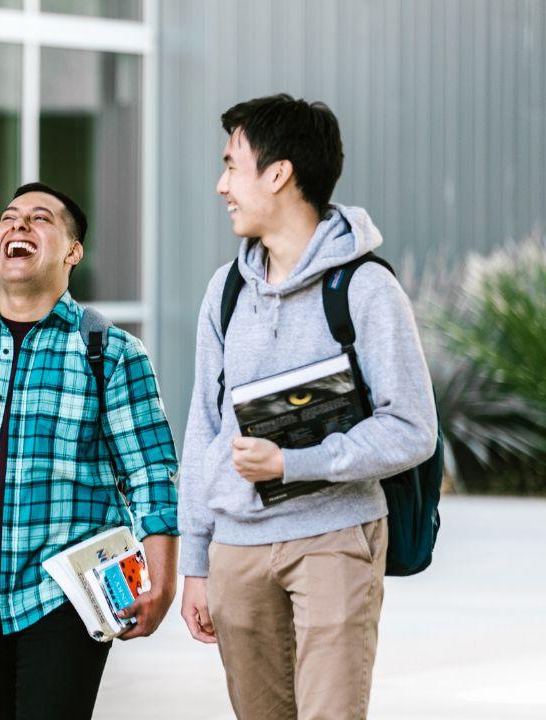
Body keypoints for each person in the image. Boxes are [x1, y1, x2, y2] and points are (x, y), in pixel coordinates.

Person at [177, 94, 439, 720]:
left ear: (278, 173)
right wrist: (196, 558)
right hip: (236, 548)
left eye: (231, 165)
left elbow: (413, 429)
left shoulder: (367, 288)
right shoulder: (226, 289)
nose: (221, 186)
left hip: (335, 539)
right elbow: (203, 425)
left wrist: (294, 463)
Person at [0, 182, 180, 719]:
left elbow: (152, 473)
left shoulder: (110, 353)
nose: (18, 225)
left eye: (40, 218)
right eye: (8, 217)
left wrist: (163, 579)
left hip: (68, 597)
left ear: (72, 251)